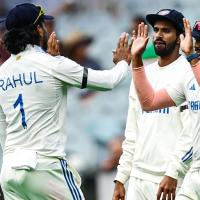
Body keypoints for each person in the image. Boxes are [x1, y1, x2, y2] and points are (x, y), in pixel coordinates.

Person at [0, 3, 132, 200]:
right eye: (43, 25)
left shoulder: (2, 72)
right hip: (44, 166)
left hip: (10, 170)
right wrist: (123, 62)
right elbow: (110, 81)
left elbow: (3, 129)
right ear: (37, 29)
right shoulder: (53, 64)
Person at [112, 9, 192, 200]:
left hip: (172, 181)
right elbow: (132, 131)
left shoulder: (189, 74)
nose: (158, 35)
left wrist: (174, 172)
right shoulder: (142, 73)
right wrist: (121, 178)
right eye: (155, 30)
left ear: (180, 38)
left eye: (166, 30)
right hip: (138, 178)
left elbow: (191, 133)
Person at [131, 14, 200, 200]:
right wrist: (136, 60)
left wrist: (192, 58)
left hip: (181, 174)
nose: (196, 46)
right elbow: (149, 103)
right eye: (197, 42)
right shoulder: (189, 77)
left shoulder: (189, 67)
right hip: (193, 174)